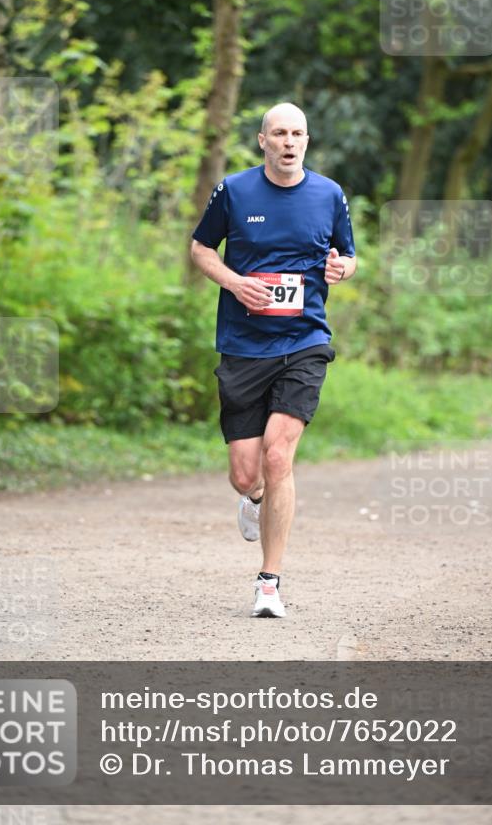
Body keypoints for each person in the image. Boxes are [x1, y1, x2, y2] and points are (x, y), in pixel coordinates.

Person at [190, 102, 356, 618]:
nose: (289, 142)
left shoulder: (329, 194)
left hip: (305, 340)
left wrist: (342, 268)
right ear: (263, 140)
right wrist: (235, 282)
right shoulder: (235, 191)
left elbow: (348, 255)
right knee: (247, 474)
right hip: (243, 345)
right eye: (279, 133)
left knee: (279, 456)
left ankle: (269, 584)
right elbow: (201, 249)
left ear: (307, 140)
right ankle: (254, 498)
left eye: (297, 133)